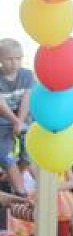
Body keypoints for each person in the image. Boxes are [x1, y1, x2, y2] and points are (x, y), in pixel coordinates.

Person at [0, 39, 32, 196]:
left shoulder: (26, 75)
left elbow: (26, 99)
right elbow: (1, 105)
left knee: (28, 156)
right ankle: (21, 193)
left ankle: (11, 178)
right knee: (6, 155)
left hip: (24, 117)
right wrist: (15, 121)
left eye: (18, 59)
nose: (14, 63)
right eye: (9, 59)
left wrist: (20, 121)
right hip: (3, 121)